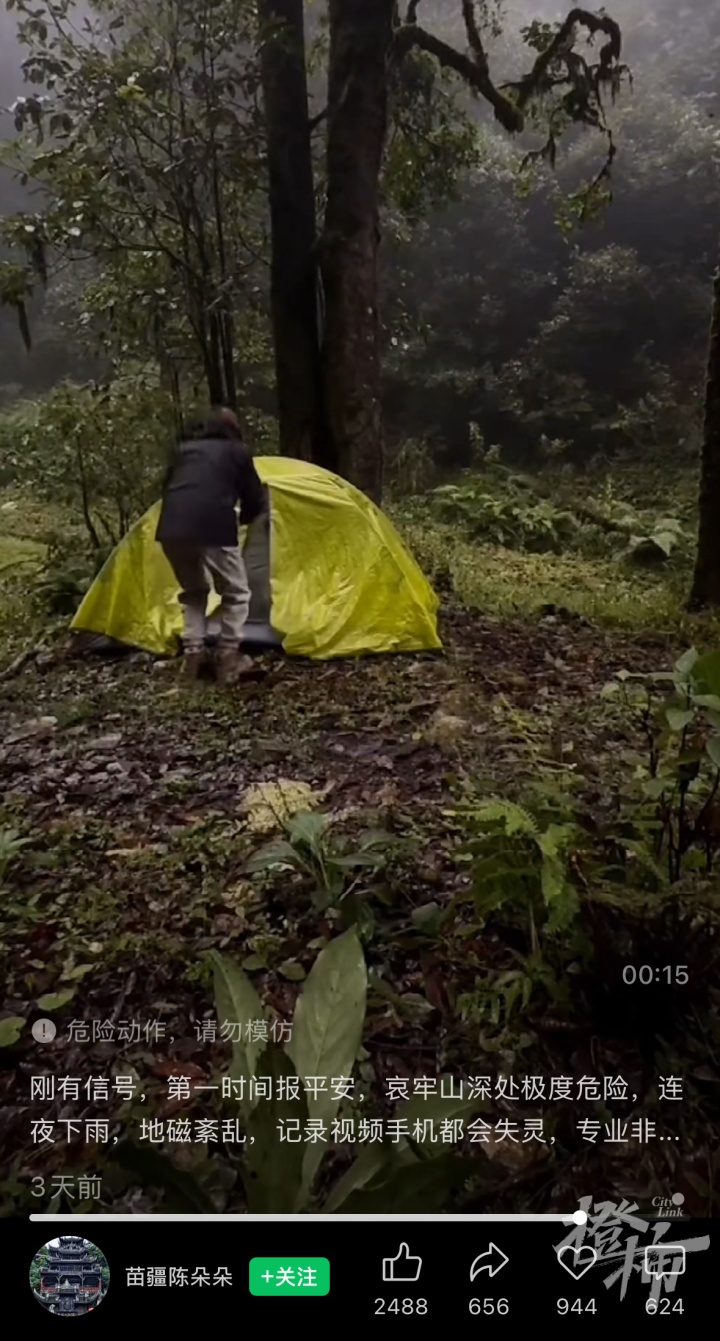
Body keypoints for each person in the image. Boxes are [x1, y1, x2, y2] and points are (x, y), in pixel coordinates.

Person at [156, 407, 266, 684]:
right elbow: (254, 498)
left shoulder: (184, 450)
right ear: (234, 430)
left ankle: (193, 654)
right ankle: (228, 654)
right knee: (236, 593)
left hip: (171, 526)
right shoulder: (237, 452)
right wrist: (247, 523)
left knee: (194, 592)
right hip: (213, 524)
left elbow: (169, 487)